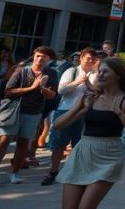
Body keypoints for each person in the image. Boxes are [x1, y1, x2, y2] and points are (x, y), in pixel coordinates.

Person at [53, 57, 125, 209]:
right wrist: (80, 107)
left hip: (108, 156)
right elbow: (57, 125)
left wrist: (119, 113)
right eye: (99, 71)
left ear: (118, 75)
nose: (100, 74)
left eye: (105, 72)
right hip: (83, 153)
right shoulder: (92, 97)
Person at [0, 45, 57, 187]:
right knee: (4, 140)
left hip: (34, 112)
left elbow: (52, 95)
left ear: (49, 60)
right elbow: (8, 91)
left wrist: (42, 89)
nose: (40, 60)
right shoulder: (21, 71)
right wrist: (31, 88)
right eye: (38, 56)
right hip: (14, 110)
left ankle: (15, 173)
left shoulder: (51, 74)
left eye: (44, 57)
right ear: (33, 56)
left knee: (23, 143)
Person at [43, 47, 98, 186]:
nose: (90, 61)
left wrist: (88, 83)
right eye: (88, 58)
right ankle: (53, 170)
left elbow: (98, 92)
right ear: (81, 58)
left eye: (93, 59)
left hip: (86, 112)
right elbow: (61, 90)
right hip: (66, 110)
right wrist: (77, 82)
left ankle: (76, 171)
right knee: (59, 143)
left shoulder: (96, 74)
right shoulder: (71, 71)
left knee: (80, 144)